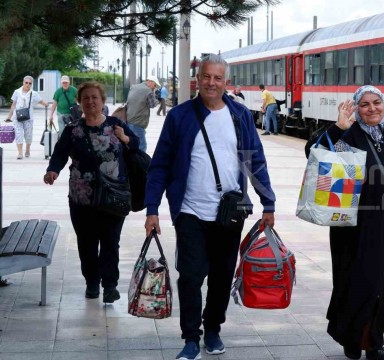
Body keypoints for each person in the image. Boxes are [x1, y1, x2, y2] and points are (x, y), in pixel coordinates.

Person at [144, 53, 276, 360]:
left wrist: (268, 201)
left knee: (221, 275)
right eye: (206, 77)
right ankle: (191, 337)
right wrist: (152, 208)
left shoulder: (240, 115)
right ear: (198, 79)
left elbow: (255, 159)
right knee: (191, 275)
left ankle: (213, 329)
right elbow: (160, 165)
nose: (211, 83)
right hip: (190, 211)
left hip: (229, 213)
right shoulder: (180, 116)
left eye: (218, 78)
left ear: (225, 82)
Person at [305, 85, 384, 360]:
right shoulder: (347, 135)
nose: (372, 108)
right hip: (353, 227)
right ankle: (351, 336)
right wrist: (338, 127)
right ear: (356, 108)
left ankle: (373, 340)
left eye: (377, 102)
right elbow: (316, 154)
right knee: (356, 282)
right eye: (365, 104)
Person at [43, 81, 140, 303]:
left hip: (113, 197)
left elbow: (135, 146)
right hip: (82, 199)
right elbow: (59, 154)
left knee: (110, 242)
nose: (90, 102)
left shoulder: (116, 125)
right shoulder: (73, 129)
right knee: (86, 242)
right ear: (80, 102)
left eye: (94, 97)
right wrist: (52, 171)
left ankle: (110, 285)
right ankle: (92, 282)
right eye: (86, 98)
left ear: (102, 101)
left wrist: (125, 138)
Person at [4, 76, 48, 159]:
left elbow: (40, 101)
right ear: (23, 82)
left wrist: (45, 103)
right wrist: (9, 116)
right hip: (17, 117)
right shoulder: (17, 92)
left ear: (31, 84)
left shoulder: (34, 93)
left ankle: (27, 149)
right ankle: (20, 153)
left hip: (28, 118)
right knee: (18, 134)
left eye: (30, 83)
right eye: (26, 82)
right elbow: (13, 104)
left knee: (28, 135)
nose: (28, 84)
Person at [125, 75, 159, 152]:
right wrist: (156, 97)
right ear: (150, 82)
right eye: (155, 85)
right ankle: (139, 164)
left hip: (129, 120)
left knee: (132, 146)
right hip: (138, 123)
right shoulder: (148, 91)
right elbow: (152, 105)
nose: (154, 87)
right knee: (142, 147)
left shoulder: (134, 87)